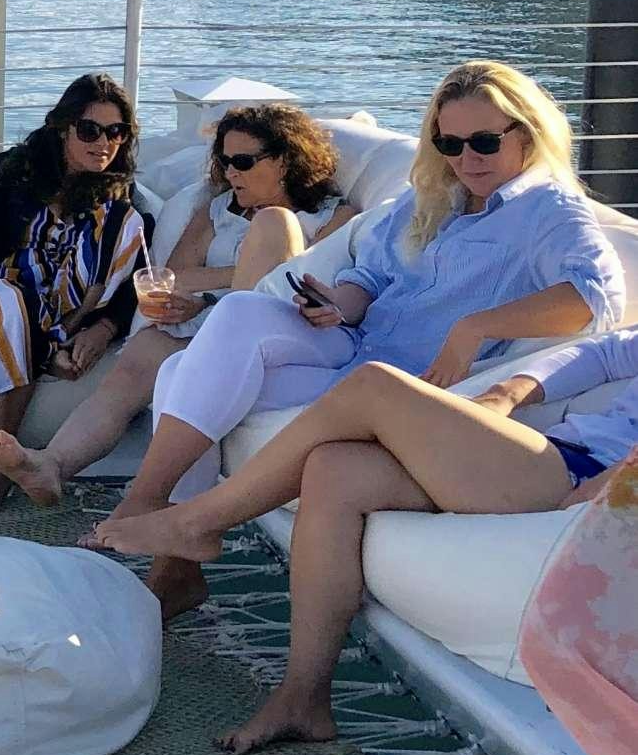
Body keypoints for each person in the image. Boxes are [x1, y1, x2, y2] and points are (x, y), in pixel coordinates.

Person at [104, 59, 625, 619]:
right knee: (234, 317)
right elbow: (370, 274)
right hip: (355, 345)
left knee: (184, 372)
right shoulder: (431, 196)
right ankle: (162, 525)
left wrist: (476, 326)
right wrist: (338, 304)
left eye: (483, 142)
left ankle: (167, 546)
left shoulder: (547, 211)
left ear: (527, 134)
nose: (466, 159)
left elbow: (596, 298)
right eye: (449, 143)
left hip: (403, 386)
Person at [87, 326, 636, 752]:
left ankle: (198, 522)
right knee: (335, 467)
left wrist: (610, 486)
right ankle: (305, 696)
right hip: (556, 453)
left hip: (580, 484)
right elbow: (604, 354)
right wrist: (506, 392)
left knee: (374, 385)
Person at [0, 102, 355, 511]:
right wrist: (209, 295)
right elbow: (175, 274)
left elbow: (293, 281)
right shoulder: (218, 209)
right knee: (139, 362)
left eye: (243, 161)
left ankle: (156, 509)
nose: (231, 171)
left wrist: (211, 293)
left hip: (274, 333)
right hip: (205, 319)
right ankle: (52, 464)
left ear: (285, 162)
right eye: (224, 160)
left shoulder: (331, 218)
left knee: (273, 224)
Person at [0, 74, 150, 517]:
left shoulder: (118, 193)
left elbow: (136, 274)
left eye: (116, 132)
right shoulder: (11, 171)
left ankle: (53, 343)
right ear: (63, 127)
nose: (104, 144)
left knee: (132, 223)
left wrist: (104, 329)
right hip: (13, 287)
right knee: (8, 307)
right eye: (90, 131)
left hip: (79, 307)